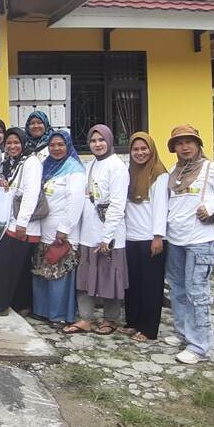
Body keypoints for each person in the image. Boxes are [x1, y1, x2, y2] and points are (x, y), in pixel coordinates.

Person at [164, 124, 214, 364]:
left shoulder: (212, 168)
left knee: (197, 292)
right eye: (179, 142)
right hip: (175, 239)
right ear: (174, 147)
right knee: (177, 290)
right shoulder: (173, 171)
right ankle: (184, 333)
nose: (185, 146)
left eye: (189, 142)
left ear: (198, 145)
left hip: (200, 241)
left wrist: (212, 207)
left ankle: (200, 346)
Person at [63, 125, 129, 336]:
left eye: (101, 140)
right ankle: (85, 318)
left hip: (108, 235)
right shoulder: (89, 165)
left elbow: (118, 204)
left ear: (109, 141)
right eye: (93, 140)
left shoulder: (117, 167)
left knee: (110, 278)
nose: (97, 144)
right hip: (87, 233)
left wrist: (106, 237)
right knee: (85, 277)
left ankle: (110, 319)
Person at [0, 128, 42, 316]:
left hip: (23, 224)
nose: (12, 146)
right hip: (10, 220)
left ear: (23, 143)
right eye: (9, 143)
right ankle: (22, 305)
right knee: (20, 267)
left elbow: (31, 193)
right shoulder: (9, 162)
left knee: (3, 260)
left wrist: (22, 223)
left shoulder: (31, 162)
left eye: (16, 143)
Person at [31, 130, 85, 326]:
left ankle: (59, 314)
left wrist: (64, 228)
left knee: (59, 273)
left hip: (63, 231)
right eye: (52, 145)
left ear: (68, 145)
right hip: (43, 228)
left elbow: (75, 202)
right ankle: (42, 311)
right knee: (42, 270)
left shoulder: (74, 169)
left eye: (60, 144)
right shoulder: (47, 166)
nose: (56, 148)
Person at [122, 131, 168, 342]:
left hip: (151, 238)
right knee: (133, 283)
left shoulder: (159, 174)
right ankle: (133, 322)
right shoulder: (129, 172)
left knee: (151, 285)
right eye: (135, 149)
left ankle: (149, 329)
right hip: (131, 237)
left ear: (151, 150)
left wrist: (157, 237)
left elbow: (160, 208)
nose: (139, 153)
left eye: (144, 148)